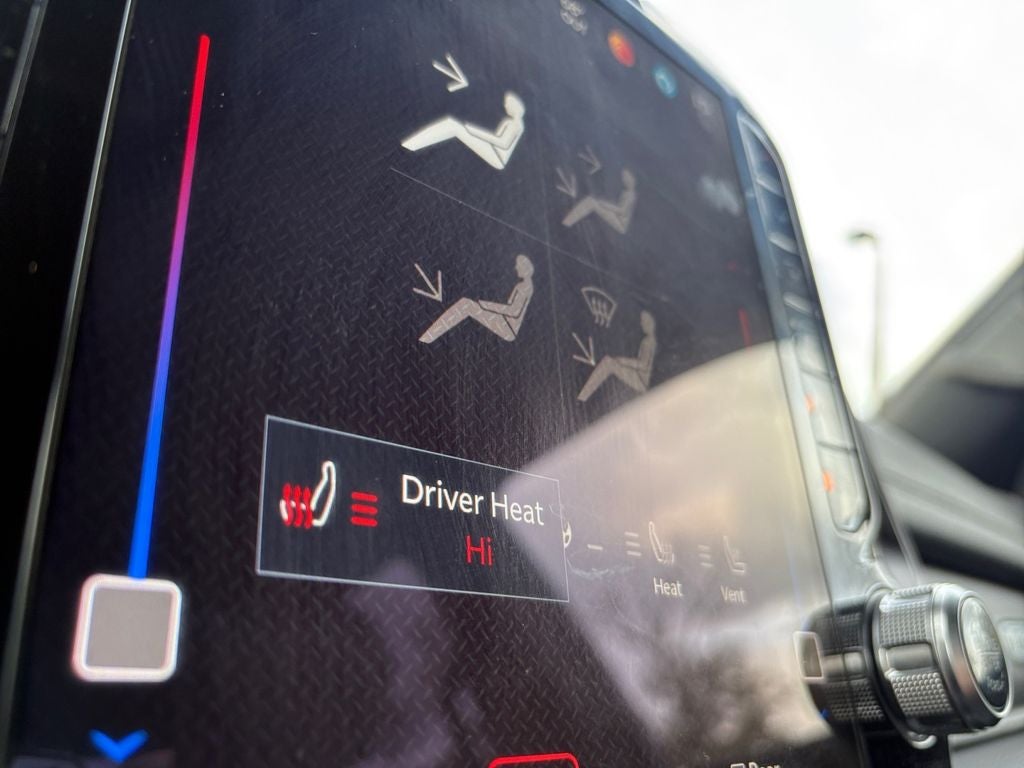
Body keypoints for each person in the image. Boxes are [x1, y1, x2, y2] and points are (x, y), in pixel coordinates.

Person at [419, 255, 534, 344]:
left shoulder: (524, 286)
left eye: (518, 265)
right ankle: (428, 336)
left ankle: (428, 337)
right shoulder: (524, 285)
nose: (516, 267)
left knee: (466, 304)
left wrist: (485, 305)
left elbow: (513, 311)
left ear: (525, 268)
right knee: (466, 303)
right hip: (504, 322)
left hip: (507, 328)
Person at [401, 92, 525, 170]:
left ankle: (410, 145)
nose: (505, 106)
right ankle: (411, 144)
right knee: (452, 124)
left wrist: (474, 132)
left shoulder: (514, 124)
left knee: (453, 126)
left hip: (496, 157)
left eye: (507, 103)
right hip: (493, 151)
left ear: (514, 106)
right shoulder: (513, 122)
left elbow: (503, 143)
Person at [577, 310, 656, 401]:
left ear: (651, 322)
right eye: (642, 321)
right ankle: (582, 397)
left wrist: (621, 360)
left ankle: (582, 397)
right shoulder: (650, 340)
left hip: (641, 381)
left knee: (607, 363)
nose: (642, 324)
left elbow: (643, 365)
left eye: (644, 321)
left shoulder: (648, 342)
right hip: (641, 379)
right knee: (608, 362)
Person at [562, 168, 637, 234]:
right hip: (617, 218)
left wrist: (605, 205)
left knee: (591, 202)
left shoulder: (631, 195)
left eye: (626, 177)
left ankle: (566, 223)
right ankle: (567, 222)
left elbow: (622, 211)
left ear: (633, 179)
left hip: (620, 223)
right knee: (591, 201)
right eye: (623, 177)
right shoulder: (627, 192)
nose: (624, 179)